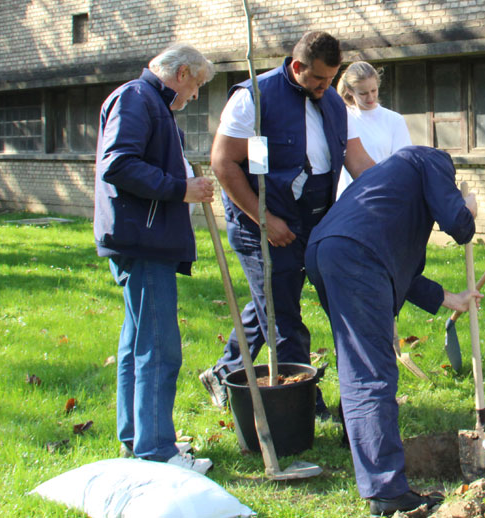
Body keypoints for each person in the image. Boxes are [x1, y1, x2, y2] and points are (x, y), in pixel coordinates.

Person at [199, 32, 375, 415]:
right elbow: (223, 163)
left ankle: (224, 370)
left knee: (271, 299)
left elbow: (357, 161)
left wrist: (394, 189)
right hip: (262, 220)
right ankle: (303, 402)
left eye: (331, 79)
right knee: (284, 316)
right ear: (297, 67)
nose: (327, 87)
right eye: (318, 79)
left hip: (314, 218)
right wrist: (263, 219)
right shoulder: (253, 98)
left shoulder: (331, 102)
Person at [305, 146, 479, 517]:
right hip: (356, 256)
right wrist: (470, 207)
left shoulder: (390, 190)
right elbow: (459, 225)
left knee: (358, 361)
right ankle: (386, 490)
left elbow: (408, 275)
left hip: (325, 250)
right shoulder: (430, 159)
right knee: (372, 372)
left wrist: (454, 299)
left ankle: (359, 446)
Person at [94, 44, 215, 474]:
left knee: (138, 342)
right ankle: (158, 450)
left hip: (144, 240)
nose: (196, 96)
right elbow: (119, 164)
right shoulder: (137, 98)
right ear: (181, 73)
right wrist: (180, 189)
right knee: (159, 346)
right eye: (197, 85)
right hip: (142, 243)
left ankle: (136, 437)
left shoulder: (152, 105)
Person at [335, 61, 412, 198]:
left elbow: (403, 166)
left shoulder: (394, 120)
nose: (370, 97)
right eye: (363, 93)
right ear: (350, 90)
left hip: (381, 196)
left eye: (373, 91)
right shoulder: (341, 117)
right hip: (347, 198)